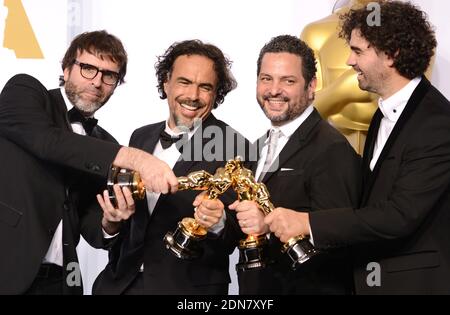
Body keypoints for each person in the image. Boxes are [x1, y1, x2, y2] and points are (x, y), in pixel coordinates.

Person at [265, 1, 450, 294]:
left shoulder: (437, 122)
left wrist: (307, 222)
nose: (350, 62)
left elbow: (399, 215)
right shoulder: (384, 113)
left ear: (391, 54)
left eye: (358, 51)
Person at [0, 30, 178, 295]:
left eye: (109, 75)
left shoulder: (103, 144)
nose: (97, 82)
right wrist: (139, 159)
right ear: (67, 67)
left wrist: (111, 221)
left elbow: (90, 224)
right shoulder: (25, 92)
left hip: (59, 282)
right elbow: (48, 141)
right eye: (87, 68)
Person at [93, 39, 251, 295]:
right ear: (166, 82)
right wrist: (111, 222)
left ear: (216, 93)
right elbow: (129, 223)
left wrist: (219, 220)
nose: (193, 96)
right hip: (120, 285)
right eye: (184, 82)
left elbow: (239, 232)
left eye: (205, 87)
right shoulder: (140, 137)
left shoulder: (235, 146)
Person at [229, 35, 361, 294]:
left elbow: (341, 238)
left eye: (288, 81)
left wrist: (267, 223)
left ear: (311, 86)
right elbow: (247, 226)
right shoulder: (254, 148)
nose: (274, 90)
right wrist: (217, 221)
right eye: (266, 78)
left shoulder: (331, 148)